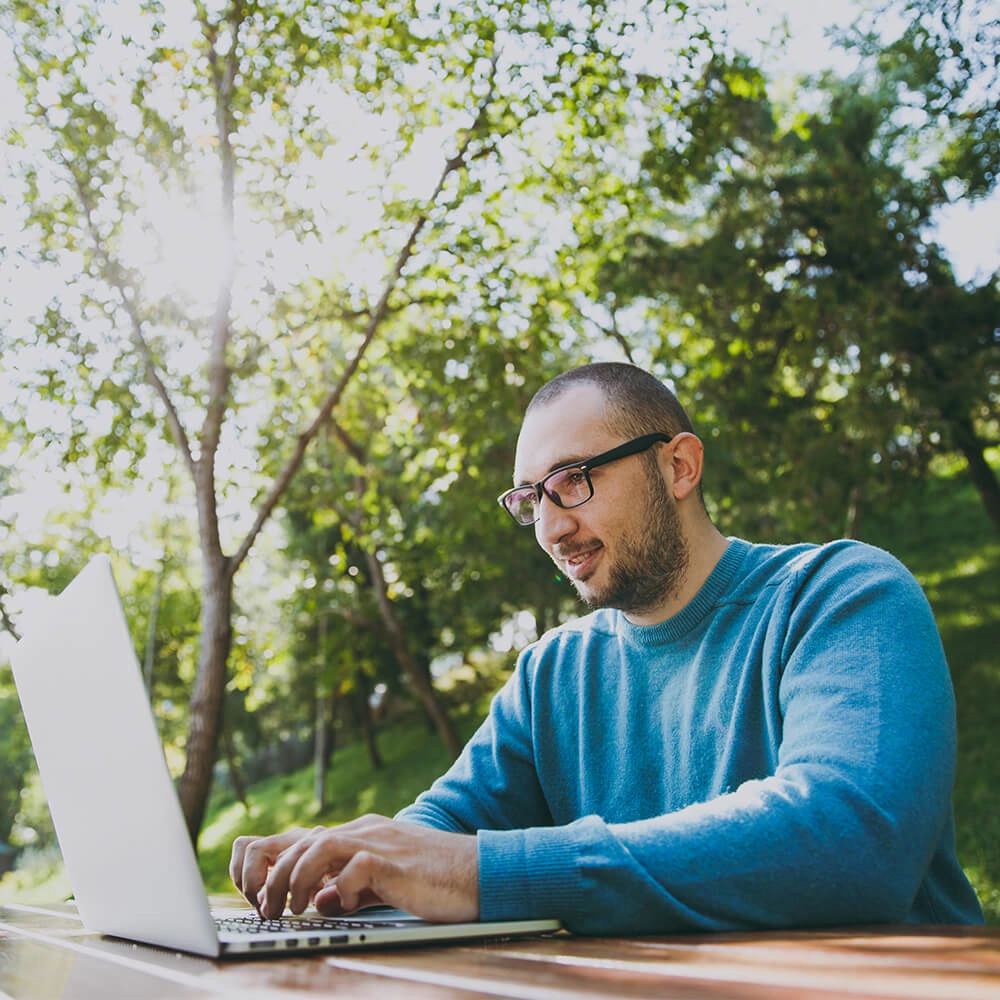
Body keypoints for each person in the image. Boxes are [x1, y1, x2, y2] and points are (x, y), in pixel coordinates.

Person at [231, 361, 984, 933]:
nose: (551, 529)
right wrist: (341, 866)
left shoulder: (840, 593)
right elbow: (436, 837)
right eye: (531, 501)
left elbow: (851, 841)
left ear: (679, 465)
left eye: (574, 481)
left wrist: (483, 874)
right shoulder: (553, 675)